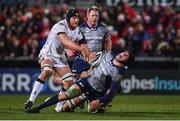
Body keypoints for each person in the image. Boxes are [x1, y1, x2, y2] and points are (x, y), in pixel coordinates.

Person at [25, 47, 135, 113]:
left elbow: (111, 93)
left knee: (93, 110)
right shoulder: (110, 54)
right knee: (64, 97)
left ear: (126, 62)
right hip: (86, 82)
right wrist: (88, 69)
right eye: (125, 52)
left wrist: (100, 101)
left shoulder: (118, 72)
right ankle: (38, 108)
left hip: (97, 93)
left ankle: (94, 104)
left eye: (126, 56)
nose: (123, 54)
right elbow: (94, 61)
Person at [24, 8, 91, 110]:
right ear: (68, 19)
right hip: (48, 53)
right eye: (73, 18)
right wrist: (80, 49)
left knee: (69, 83)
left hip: (60, 56)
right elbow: (65, 41)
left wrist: (88, 54)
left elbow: (83, 44)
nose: (76, 20)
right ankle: (31, 100)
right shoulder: (61, 26)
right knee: (46, 71)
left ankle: (58, 106)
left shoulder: (77, 30)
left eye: (77, 18)